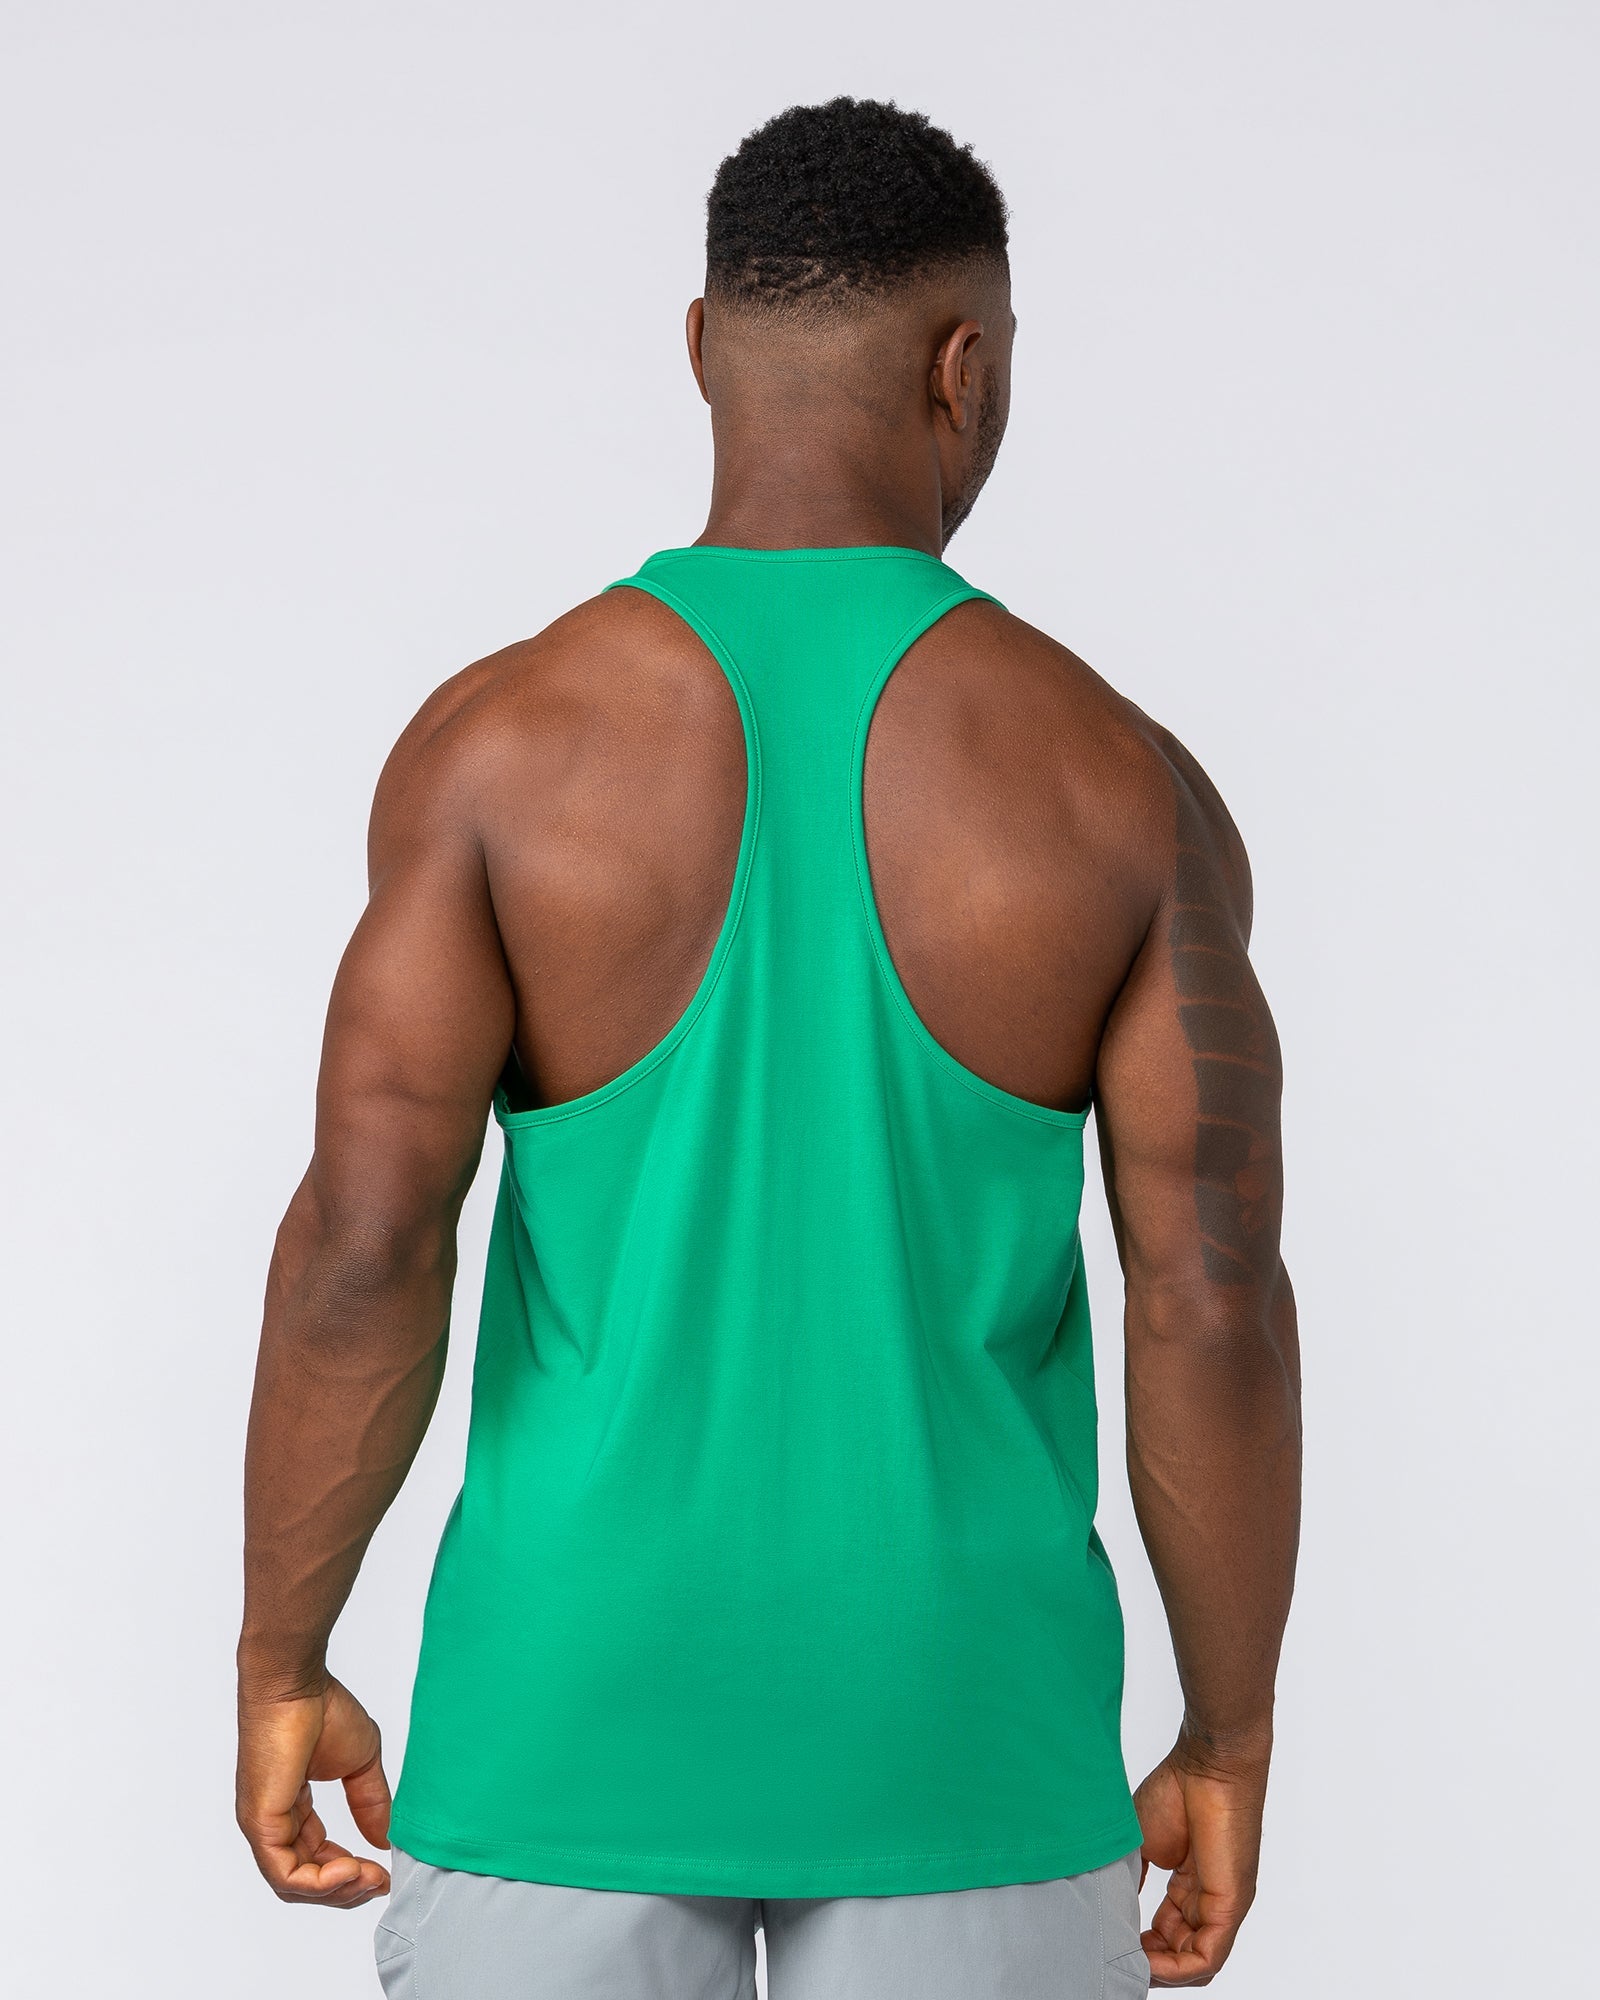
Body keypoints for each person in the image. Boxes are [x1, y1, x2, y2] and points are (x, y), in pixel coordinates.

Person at [235, 96, 1301, 1998]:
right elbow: (1210, 1296)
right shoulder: (1118, 786)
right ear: (965, 370)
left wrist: (280, 1656)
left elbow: (364, 1244)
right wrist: (1225, 1737)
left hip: (564, 1734)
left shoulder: (499, 752)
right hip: (966, 1749)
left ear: (701, 347)